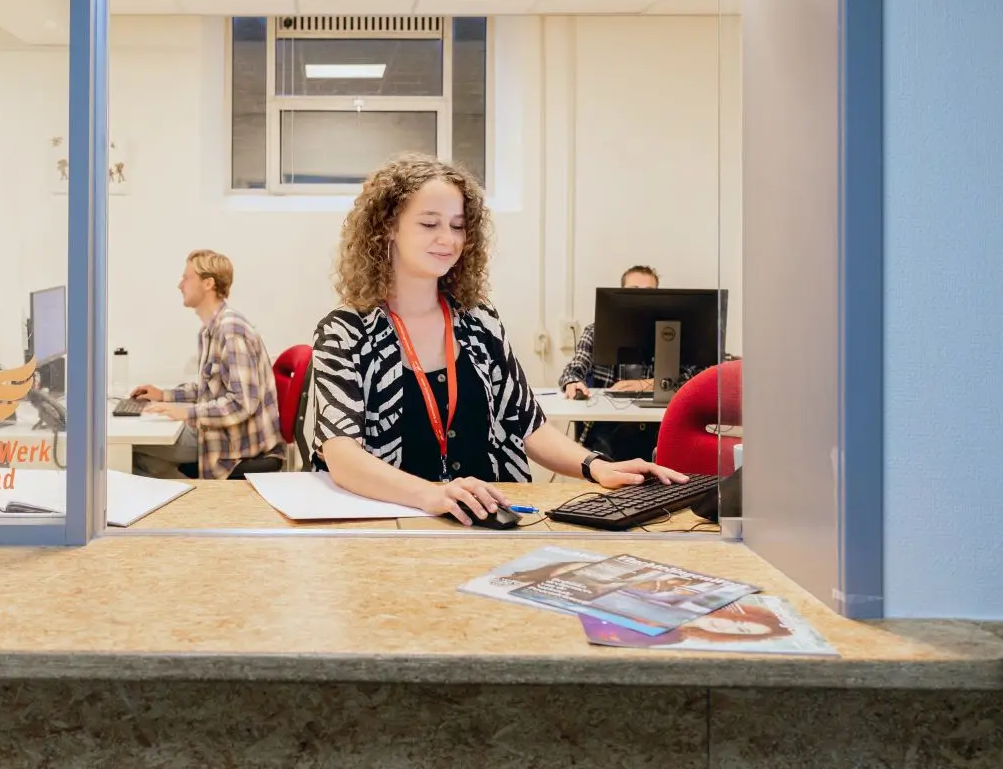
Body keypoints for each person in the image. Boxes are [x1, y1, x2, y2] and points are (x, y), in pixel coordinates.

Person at [303, 154, 685, 525]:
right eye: (429, 224)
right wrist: (432, 495)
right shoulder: (345, 331)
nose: (447, 239)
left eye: (457, 225)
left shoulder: (480, 322)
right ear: (388, 227)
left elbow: (528, 424)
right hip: (395, 525)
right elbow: (342, 455)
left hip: (488, 523)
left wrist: (596, 466)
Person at [128, 249, 284, 480]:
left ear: (208, 283)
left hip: (235, 444)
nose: (180, 285)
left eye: (186, 278)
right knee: (137, 449)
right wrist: (163, 395)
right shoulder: (210, 329)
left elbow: (242, 403)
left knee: (131, 451)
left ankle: (187, 506)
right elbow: (210, 389)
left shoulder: (231, 329)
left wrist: (185, 412)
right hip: (224, 433)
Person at [558, 265, 662, 399]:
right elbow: (572, 372)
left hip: (654, 418)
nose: (640, 298)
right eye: (633, 291)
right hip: (604, 415)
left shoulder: (670, 335)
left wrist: (652, 384)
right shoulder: (594, 332)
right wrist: (572, 383)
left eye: (648, 292)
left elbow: (692, 379)